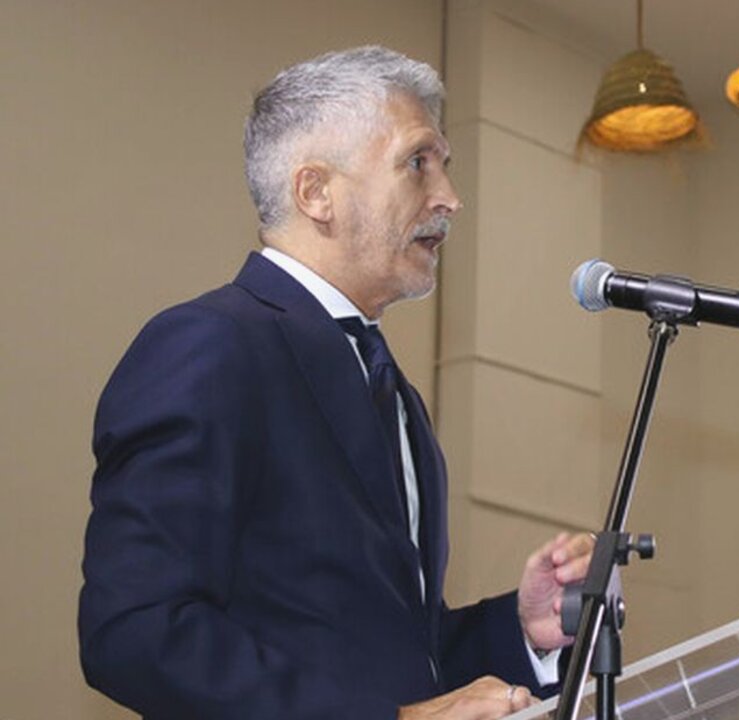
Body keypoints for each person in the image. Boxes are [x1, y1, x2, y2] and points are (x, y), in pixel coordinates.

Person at [79, 46, 593, 720]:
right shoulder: (210, 344)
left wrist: (521, 632)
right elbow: (135, 632)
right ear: (316, 192)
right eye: (418, 163)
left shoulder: (394, 394)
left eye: (444, 166)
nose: (449, 198)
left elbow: (395, 653)